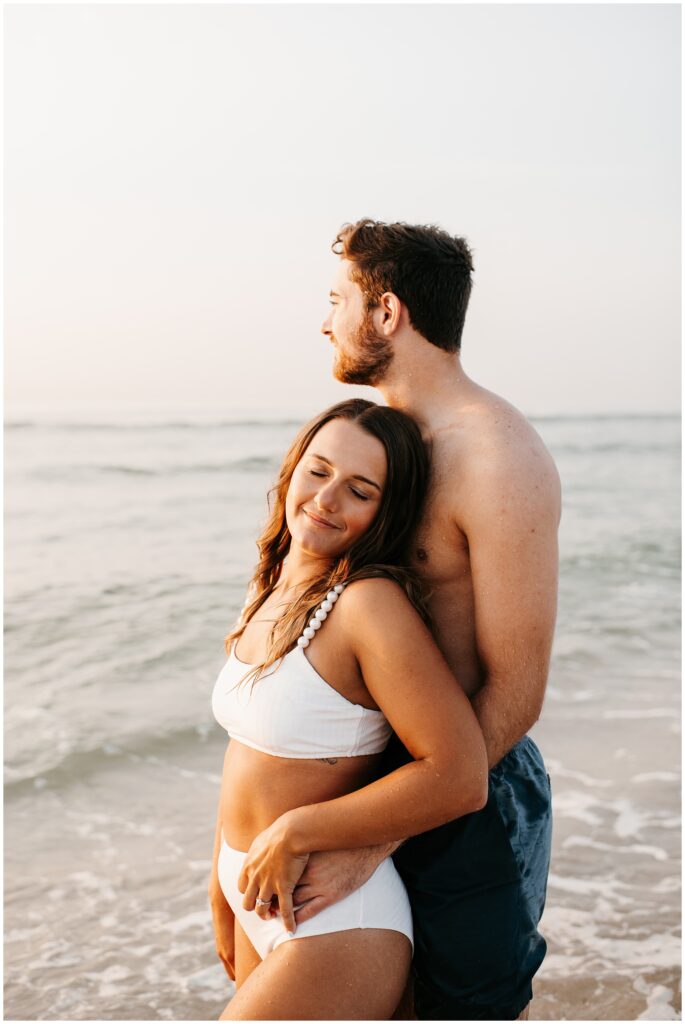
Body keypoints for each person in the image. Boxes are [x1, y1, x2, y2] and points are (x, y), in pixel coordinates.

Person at [288, 220, 561, 1021]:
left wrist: (379, 839)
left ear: (387, 313)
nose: (325, 320)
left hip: (469, 808)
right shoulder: (392, 446)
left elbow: (515, 690)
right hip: (385, 786)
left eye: (337, 299)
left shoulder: (495, 456)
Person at [208, 398, 489, 1021]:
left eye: (359, 490)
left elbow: (459, 773)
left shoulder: (368, 605)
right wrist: (221, 880)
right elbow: (247, 753)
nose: (327, 499)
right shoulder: (273, 583)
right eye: (319, 470)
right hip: (258, 891)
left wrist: (296, 830)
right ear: (292, 468)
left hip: (333, 918)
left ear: (385, 513)